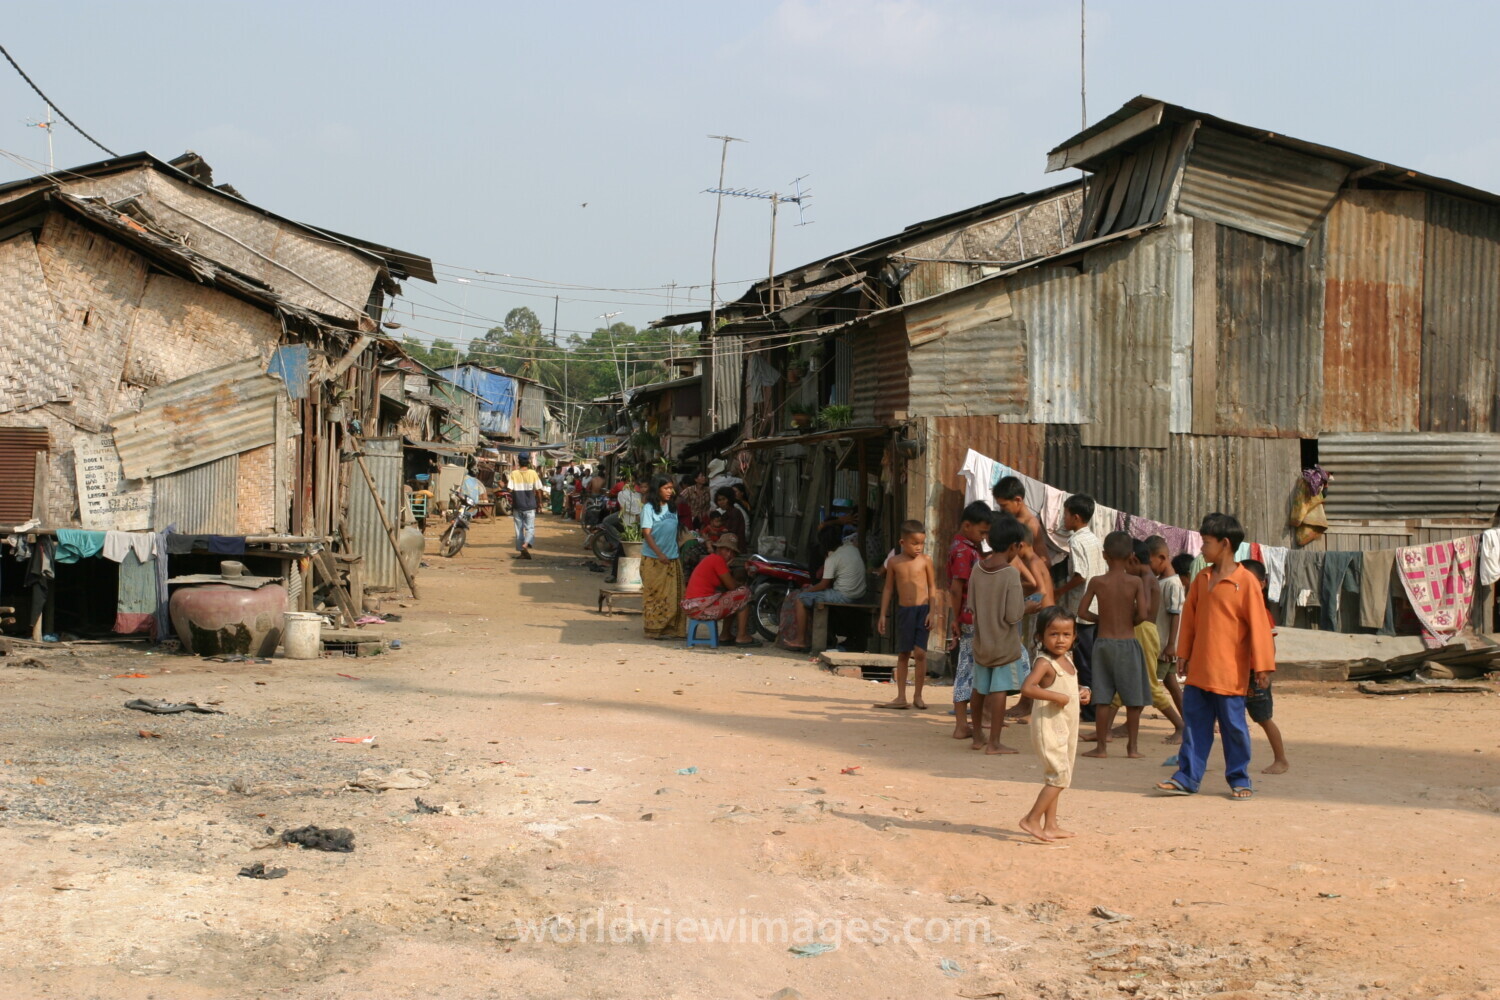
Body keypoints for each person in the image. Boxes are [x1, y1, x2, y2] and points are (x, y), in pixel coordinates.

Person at [1156, 513, 1275, 799]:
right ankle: (1187, 778)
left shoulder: (1245, 581)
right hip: (1199, 669)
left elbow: (1259, 626)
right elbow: (1190, 618)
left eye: (1206, 543)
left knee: (1234, 728)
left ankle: (1239, 778)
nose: (1201, 549)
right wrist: (1183, 653)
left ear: (1224, 544)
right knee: (1195, 727)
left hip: (1230, 673)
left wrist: (1263, 666)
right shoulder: (1202, 577)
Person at [1018, 606, 1090, 843]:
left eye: (1066, 634)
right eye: (1054, 634)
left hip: (1066, 727)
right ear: (1040, 636)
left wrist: (1081, 692)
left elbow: (1065, 686)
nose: (1060, 640)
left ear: (1074, 636)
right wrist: (1056, 697)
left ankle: (1051, 825)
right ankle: (1031, 819)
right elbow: (1028, 688)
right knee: (1060, 775)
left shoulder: (1067, 659)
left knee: (1057, 775)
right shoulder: (1045, 662)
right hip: (1049, 727)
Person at [1078, 531, 1151, 759]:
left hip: (1103, 644)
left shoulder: (1097, 582)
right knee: (1133, 699)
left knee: (1102, 698)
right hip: (1128, 642)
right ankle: (1132, 748)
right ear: (1131, 555)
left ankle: (1101, 748)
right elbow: (1143, 613)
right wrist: (1130, 621)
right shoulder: (1135, 581)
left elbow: (1081, 612)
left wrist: (1101, 619)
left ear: (1104, 555)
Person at [967, 513, 1030, 755]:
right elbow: (1013, 615)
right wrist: (1029, 606)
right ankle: (994, 742)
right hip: (1004, 644)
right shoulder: (1010, 574)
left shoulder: (977, 569)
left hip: (981, 641)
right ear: (1015, 545)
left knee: (978, 689)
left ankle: (977, 736)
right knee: (999, 690)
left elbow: (971, 604)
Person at [875, 520, 936, 711]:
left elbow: (933, 587)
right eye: (914, 543)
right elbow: (888, 588)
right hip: (904, 611)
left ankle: (918, 695)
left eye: (921, 543)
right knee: (903, 653)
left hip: (922, 611)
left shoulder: (926, 560)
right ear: (902, 542)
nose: (918, 547)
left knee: (921, 653)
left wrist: (933, 612)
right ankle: (901, 696)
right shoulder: (894, 562)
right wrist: (882, 614)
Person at [1054, 494, 1104, 720]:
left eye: (1065, 514)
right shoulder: (1093, 539)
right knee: (1091, 658)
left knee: (1084, 660)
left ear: (1075, 517)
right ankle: (1093, 705)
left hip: (1082, 608)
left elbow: (1080, 576)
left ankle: (1090, 709)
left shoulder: (1075, 540)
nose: (1063, 519)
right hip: (1095, 607)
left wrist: (1059, 591)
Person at [1239, 559, 1290, 775]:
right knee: (1228, 717)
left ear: (1261, 584)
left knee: (1262, 718)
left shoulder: (1261, 611)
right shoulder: (1238, 607)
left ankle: (1281, 760)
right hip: (1236, 671)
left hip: (1255, 674)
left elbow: (1268, 645)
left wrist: (1265, 670)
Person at [946, 502, 991, 741]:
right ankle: (962, 725)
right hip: (968, 619)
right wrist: (955, 618)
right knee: (967, 671)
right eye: (982, 532)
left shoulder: (968, 547)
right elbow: (956, 588)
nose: (984, 537)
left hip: (970, 617)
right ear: (967, 525)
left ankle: (969, 723)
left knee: (970, 669)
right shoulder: (963, 551)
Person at [788, 525, 867, 652]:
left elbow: (823, 584)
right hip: (860, 595)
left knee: (800, 599)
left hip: (844, 596)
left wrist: (806, 591)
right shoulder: (852, 549)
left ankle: (800, 640)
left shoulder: (833, 558)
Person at [681, 534, 761, 646]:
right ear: (718, 549)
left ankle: (725, 634)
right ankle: (742, 636)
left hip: (695, 606)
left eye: (732, 552)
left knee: (731, 597)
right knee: (744, 593)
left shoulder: (713, 559)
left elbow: (727, 588)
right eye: (726, 550)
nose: (729, 554)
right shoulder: (717, 560)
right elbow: (732, 586)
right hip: (700, 608)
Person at [640, 475, 687, 640]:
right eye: (666, 488)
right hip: (654, 560)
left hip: (672, 559)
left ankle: (673, 630)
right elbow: (647, 534)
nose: (670, 491)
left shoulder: (673, 508)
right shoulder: (648, 509)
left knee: (675, 596)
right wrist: (660, 554)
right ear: (657, 489)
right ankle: (655, 630)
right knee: (655, 596)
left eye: (671, 488)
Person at [1152, 540, 1189, 724]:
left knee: (1151, 687)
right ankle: (1189, 723)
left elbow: (1175, 615)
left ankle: (1181, 725)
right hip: (1163, 645)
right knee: (1171, 684)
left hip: (1164, 646)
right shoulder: (1162, 581)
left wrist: (1170, 645)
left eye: (1151, 562)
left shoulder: (1173, 583)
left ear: (1161, 558)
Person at [505, 454, 545, 560]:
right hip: (530, 506)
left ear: (518, 462)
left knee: (519, 530)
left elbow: (509, 489)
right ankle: (526, 543)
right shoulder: (533, 473)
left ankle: (522, 550)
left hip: (517, 505)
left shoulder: (514, 473)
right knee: (530, 527)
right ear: (528, 462)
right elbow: (538, 489)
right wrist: (540, 502)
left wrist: (503, 485)